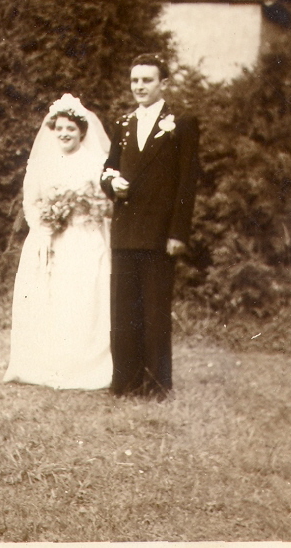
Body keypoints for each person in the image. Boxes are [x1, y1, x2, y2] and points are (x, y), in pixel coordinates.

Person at [101, 54, 199, 399]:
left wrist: (178, 233)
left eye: (147, 80)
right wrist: (112, 185)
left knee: (155, 311)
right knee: (124, 310)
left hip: (160, 234)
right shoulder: (123, 124)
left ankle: (157, 385)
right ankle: (125, 383)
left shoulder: (181, 124)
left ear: (163, 84)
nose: (139, 86)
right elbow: (108, 169)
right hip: (126, 230)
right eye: (135, 81)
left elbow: (187, 183)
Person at [3, 93, 113, 390]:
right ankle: (47, 363)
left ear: (82, 132)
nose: (65, 133)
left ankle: (83, 364)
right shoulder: (42, 164)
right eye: (60, 128)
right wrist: (44, 227)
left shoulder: (96, 163)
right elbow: (31, 201)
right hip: (50, 238)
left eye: (71, 129)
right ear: (53, 130)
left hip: (84, 237)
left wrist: (87, 211)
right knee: (50, 299)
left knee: (83, 299)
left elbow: (105, 202)